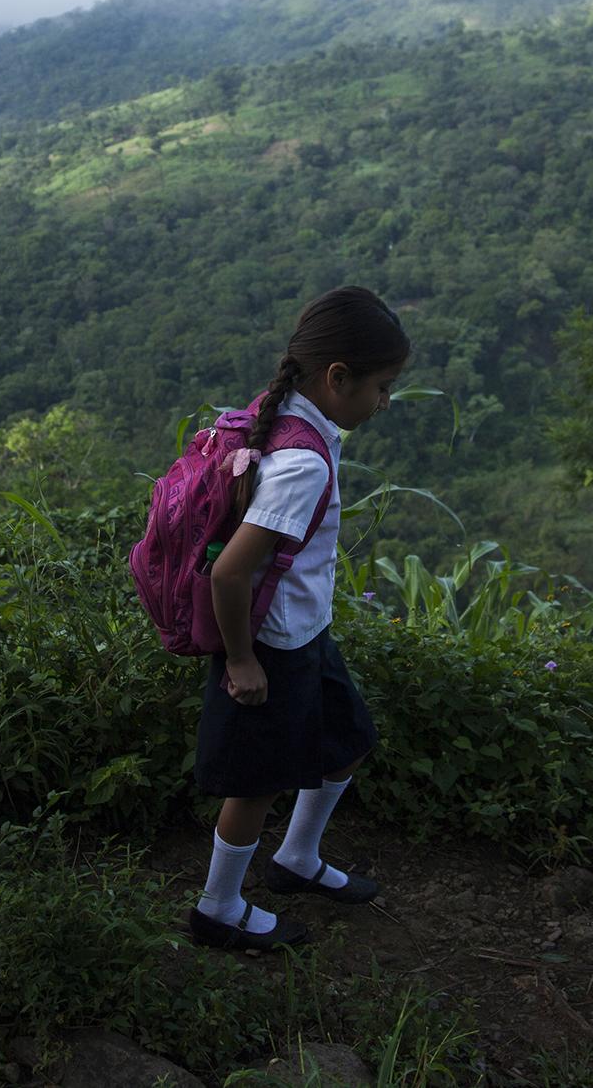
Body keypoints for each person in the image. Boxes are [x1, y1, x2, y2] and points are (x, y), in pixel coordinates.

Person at [188, 286, 410, 949]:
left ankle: (297, 858)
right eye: (382, 386)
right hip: (273, 646)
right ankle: (217, 906)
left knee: (347, 741)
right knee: (255, 784)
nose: (385, 401)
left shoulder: (289, 414)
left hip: (305, 632)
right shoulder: (301, 463)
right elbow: (229, 571)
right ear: (337, 376)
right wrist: (242, 660)